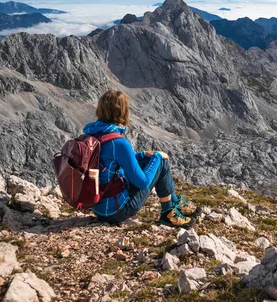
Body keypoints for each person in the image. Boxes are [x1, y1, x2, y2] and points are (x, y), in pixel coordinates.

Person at [83, 90, 199, 227]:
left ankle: (175, 204)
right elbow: (143, 183)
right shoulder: (118, 143)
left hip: (99, 207)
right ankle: (169, 213)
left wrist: (143, 155)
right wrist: (157, 156)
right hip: (116, 211)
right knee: (161, 162)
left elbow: (113, 163)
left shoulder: (92, 135)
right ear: (122, 112)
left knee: (148, 160)